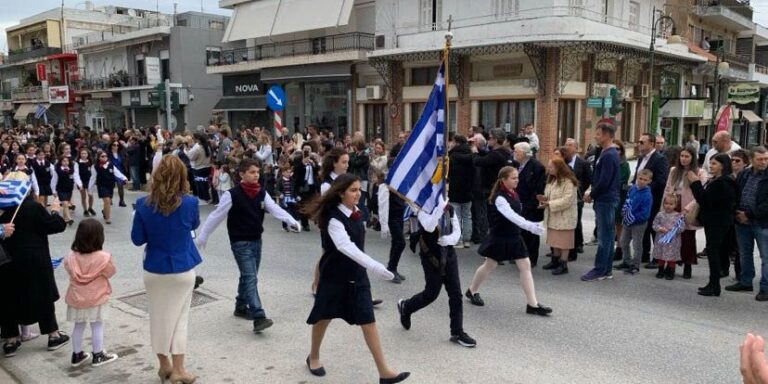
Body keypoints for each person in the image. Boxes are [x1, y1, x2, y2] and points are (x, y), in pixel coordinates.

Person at [303, 174, 410, 384]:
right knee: (324, 317)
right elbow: (344, 246)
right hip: (335, 276)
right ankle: (313, 356)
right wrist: (375, 266)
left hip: (357, 276)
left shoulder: (356, 212)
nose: (358, 194)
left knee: (368, 321)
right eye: (353, 190)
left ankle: (384, 372)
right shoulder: (333, 217)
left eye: (359, 189)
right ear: (341, 193)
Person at [196, 158, 300, 332]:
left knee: (249, 276)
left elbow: (274, 208)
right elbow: (216, 216)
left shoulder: (261, 192)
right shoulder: (232, 194)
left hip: (256, 240)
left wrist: (291, 220)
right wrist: (203, 236)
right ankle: (258, 315)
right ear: (242, 174)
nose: (256, 175)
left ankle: (241, 306)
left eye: (257, 172)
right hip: (240, 241)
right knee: (250, 276)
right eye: (252, 172)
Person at [131, 155, 201, 384]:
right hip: (182, 269)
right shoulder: (190, 202)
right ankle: (179, 369)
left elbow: (137, 239)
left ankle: (164, 366)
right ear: (182, 176)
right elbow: (194, 225)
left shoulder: (143, 204)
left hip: (155, 268)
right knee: (181, 320)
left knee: (159, 319)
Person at [464, 166, 551, 315]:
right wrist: (530, 226)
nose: (517, 180)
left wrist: (532, 224)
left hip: (514, 236)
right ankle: (472, 290)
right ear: (504, 180)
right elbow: (511, 216)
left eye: (517, 177)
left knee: (525, 266)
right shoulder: (499, 198)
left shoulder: (513, 194)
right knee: (489, 265)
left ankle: (532, 304)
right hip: (500, 236)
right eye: (513, 178)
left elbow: (518, 214)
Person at [1, 172, 69, 357]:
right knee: (43, 294)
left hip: (7, 260)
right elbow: (56, 226)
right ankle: (53, 335)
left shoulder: (1, 209)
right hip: (34, 257)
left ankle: (10, 340)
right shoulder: (32, 207)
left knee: (8, 297)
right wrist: (55, 210)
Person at [396, 197, 477, 348]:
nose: (444, 189)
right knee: (431, 293)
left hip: (448, 253)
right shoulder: (421, 208)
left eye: (446, 185)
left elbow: (457, 230)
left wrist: (450, 239)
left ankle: (457, 331)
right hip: (431, 256)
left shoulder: (450, 208)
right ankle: (406, 307)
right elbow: (429, 226)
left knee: (456, 293)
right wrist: (439, 208)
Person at [63, 219, 118, 367]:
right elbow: (110, 272)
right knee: (97, 325)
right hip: (97, 297)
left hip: (77, 297)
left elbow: (68, 270)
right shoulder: (103, 257)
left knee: (78, 326)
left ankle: (77, 354)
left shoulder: (71, 257)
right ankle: (98, 354)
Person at [688, 153, 739, 297]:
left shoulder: (723, 182)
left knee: (713, 252)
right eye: (710, 163)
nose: (711, 166)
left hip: (718, 223)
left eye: (714, 164)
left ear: (723, 166)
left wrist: (695, 183)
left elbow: (705, 200)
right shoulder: (718, 180)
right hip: (715, 221)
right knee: (713, 252)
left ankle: (714, 285)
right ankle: (712, 283)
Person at [582, 121, 621, 282]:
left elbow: (604, 180)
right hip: (605, 199)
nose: (596, 137)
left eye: (598, 134)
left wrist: (592, 194)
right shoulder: (605, 153)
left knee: (605, 237)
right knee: (608, 236)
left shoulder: (609, 154)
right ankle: (606, 269)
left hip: (605, 200)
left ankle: (600, 269)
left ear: (606, 135)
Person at [728, 146, 768, 301]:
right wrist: (737, 212)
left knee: (766, 256)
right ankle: (745, 281)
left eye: (766, 159)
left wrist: (749, 214)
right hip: (742, 221)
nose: (764, 162)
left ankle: (765, 288)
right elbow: (736, 193)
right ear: (751, 160)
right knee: (744, 253)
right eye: (760, 159)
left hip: (762, 222)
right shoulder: (744, 174)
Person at [663, 146, 706, 279]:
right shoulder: (674, 171)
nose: (683, 159)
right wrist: (664, 208)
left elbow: (700, 193)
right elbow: (668, 189)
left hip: (689, 208)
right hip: (674, 205)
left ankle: (688, 265)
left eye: (687, 156)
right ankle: (671, 266)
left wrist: (689, 207)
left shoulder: (699, 172)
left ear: (692, 158)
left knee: (688, 238)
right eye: (682, 156)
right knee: (673, 238)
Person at [632, 133, 669, 268]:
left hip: (653, 198)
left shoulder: (660, 159)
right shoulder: (641, 157)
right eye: (639, 141)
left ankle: (657, 257)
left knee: (654, 228)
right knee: (644, 227)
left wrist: (645, 188)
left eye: (642, 142)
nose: (639, 144)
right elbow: (638, 175)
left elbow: (661, 180)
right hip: (640, 197)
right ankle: (644, 254)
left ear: (652, 144)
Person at [539, 158, 578, 275]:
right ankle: (555, 260)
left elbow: (567, 200)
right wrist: (544, 199)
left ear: (559, 168)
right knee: (554, 240)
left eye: (551, 167)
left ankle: (563, 264)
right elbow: (549, 195)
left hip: (565, 216)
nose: (548, 169)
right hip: (553, 215)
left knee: (564, 242)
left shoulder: (569, 181)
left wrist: (549, 203)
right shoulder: (552, 180)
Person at [513, 142, 546, 267]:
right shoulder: (517, 165)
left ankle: (532, 258)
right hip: (518, 203)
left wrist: (529, 205)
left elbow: (538, 189)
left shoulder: (537, 167)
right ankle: (520, 255)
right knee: (520, 231)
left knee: (531, 233)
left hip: (530, 205)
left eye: (516, 151)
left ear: (523, 153)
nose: (514, 154)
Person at [615, 169, 653, 275]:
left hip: (639, 223)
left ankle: (636, 265)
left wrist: (634, 218)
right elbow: (628, 201)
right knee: (623, 241)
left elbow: (645, 213)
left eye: (645, 180)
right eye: (640, 178)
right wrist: (625, 211)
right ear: (637, 178)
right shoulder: (632, 189)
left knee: (637, 244)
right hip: (627, 220)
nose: (642, 181)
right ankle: (626, 261)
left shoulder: (647, 195)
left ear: (649, 181)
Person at [564, 138, 592, 260]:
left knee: (576, 221)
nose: (567, 147)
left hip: (577, 197)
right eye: (566, 145)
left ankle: (578, 243)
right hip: (564, 196)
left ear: (576, 148)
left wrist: (581, 190)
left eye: (570, 145)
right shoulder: (562, 162)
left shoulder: (583, 163)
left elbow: (588, 179)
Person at [447, 135, 475, 248]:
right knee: (467, 216)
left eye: (452, 142)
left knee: (456, 216)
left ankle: (458, 239)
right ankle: (467, 240)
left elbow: (448, 173)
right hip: (468, 189)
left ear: (456, 143)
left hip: (455, 189)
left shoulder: (452, 156)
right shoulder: (471, 155)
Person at [651, 194, 685, 280]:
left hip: (673, 241)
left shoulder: (678, 216)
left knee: (671, 256)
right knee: (661, 255)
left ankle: (671, 271)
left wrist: (673, 230)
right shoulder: (660, 214)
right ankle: (660, 270)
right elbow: (654, 224)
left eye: (671, 204)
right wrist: (659, 228)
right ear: (663, 204)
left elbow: (682, 227)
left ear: (675, 205)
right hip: (661, 239)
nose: (668, 206)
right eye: (666, 203)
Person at [93, 150, 127, 225]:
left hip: (110, 186)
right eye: (102, 156)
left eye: (106, 156)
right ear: (98, 158)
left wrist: (124, 178)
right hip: (101, 186)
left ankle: (105, 211)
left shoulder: (111, 165)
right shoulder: (96, 167)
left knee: (107, 202)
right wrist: (89, 189)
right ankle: (108, 218)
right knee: (107, 201)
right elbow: (92, 178)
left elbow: (117, 172)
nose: (105, 158)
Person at [613, 140, 631, 261]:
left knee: (619, 225)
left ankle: (620, 249)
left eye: (617, 149)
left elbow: (621, 180)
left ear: (621, 151)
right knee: (612, 224)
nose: (615, 151)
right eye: (613, 149)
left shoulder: (624, 165)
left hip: (620, 196)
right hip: (609, 197)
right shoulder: (607, 161)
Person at [186, 133, 213, 203]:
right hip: (207, 167)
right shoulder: (207, 147)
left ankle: (203, 198)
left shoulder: (198, 148)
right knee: (204, 183)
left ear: (198, 140)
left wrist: (188, 151)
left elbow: (191, 157)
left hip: (199, 168)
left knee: (200, 184)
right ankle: (206, 197)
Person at [51, 155, 76, 225]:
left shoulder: (71, 170)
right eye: (64, 161)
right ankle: (69, 218)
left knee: (66, 204)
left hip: (69, 190)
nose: (65, 162)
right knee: (64, 203)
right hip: (60, 189)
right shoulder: (57, 170)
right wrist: (53, 190)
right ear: (60, 162)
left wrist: (79, 184)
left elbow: (75, 178)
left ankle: (65, 219)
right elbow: (54, 181)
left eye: (67, 161)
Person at [74, 148, 96, 217]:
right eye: (82, 153)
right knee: (83, 196)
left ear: (88, 154)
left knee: (90, 195)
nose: (84, 155)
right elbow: (76, 173)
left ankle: (90, 207)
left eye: (85, 153)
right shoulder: (77, 163)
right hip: (81, 181)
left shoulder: (90, 162)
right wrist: (79, 183)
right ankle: (85, 210)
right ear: (80, 155)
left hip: (89, 181)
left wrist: (94, 180)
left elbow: (93, 172)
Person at [108, 140, 127, 207]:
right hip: (111, 171)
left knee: (120, 185)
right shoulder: (108, 154)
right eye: (114, 145)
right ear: (111, 146)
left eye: (117, 145)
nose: (116, 146)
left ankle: (121, 201)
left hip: (120, 171)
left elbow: (123, 162)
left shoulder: (120, 154)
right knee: (111, 186)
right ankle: (109, 199)